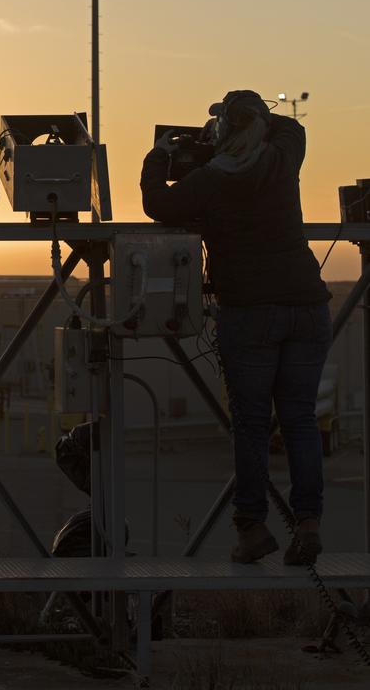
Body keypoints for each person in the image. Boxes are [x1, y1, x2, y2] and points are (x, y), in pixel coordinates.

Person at [140, 89, 332, 565]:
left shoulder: (208, 181)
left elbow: (156, 204)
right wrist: (246, 122)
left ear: (225, 131)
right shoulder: (282, 159)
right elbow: (294, 127)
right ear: (261, 127)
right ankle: (307, 523)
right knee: (300, 421)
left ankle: (252, 528)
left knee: (250, 425)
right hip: (307, 306)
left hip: (249, 313)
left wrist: (159, 156)